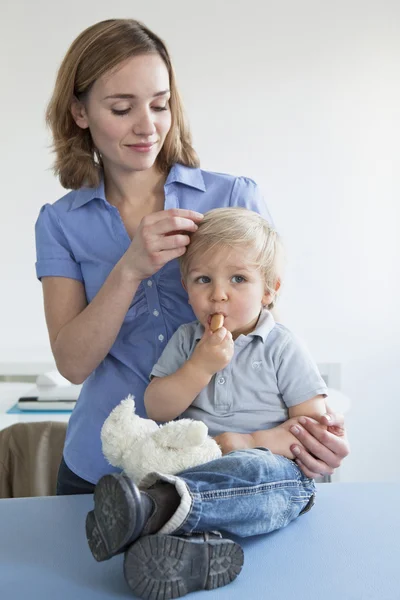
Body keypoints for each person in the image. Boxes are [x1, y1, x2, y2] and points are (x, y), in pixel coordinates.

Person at [35, 11, 348, 559]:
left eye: (160, 104)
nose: (147, 126)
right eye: (121, 107)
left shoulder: (233, 196)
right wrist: (130, 267)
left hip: (223, 467)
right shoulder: (61, 222)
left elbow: (265, 335)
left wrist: (310, 430)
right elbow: (73, 364)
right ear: (79, 111)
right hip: (103, 474)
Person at [86, 207, 336, 599]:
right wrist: (200, 366)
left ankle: (153, 511)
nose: (218, 293)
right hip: (196, 466)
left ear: (269, 290)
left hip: (272, 472)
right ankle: (193, 553)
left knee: (259, 478)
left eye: (238, 279)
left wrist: (248, 441)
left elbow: (310, 430)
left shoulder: (281, 346)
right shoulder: (188, 341)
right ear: (187, 289)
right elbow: (158, 408)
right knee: (167, 470)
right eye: (204, 279)